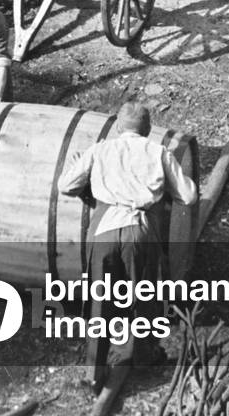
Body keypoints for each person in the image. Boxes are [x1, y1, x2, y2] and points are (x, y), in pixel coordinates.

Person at [58, 102, 197, 416]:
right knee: (140, 302)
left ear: (119, 127)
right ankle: (136, 358)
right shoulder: (159, 153)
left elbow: (66, 185)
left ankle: (93, 373)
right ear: (147, 129)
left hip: (104, 232)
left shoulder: (100, 150)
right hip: (139, 233)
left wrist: (87, 172)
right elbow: (188, 197)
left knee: (100, 302)